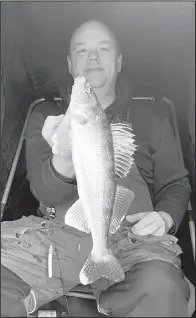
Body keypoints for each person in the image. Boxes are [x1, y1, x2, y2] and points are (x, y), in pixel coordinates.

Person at [1, 20, 192, 317]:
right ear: (69, 63)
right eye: (82, 50)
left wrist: (165, 216)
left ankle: (115, 293)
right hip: (56, 237)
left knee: (161, 288)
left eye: (103, 48)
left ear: (118, 61)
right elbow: (43, 192)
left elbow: (176, 184)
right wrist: (63, 155)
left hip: (132, 239)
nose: (92, 57)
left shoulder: (152, 116)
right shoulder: (46, 115)